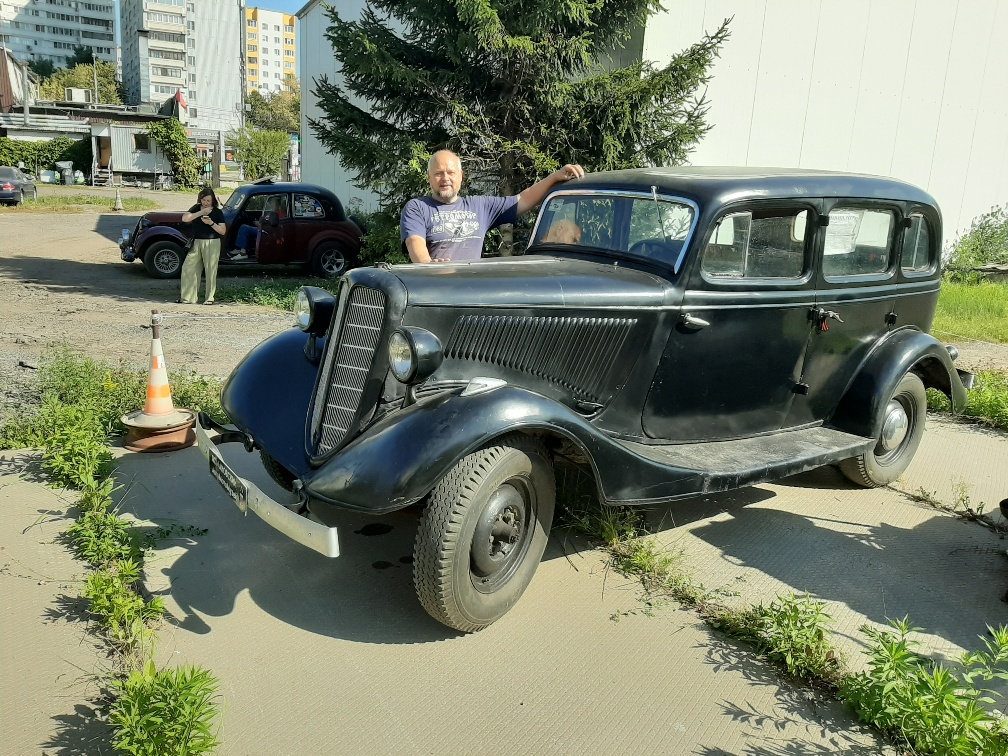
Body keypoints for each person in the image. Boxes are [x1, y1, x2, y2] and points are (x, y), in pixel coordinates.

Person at [401, 150, 585, 263]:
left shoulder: (480, 207)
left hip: (471, 291)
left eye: (451, 172)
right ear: (429, 178)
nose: (446, 178)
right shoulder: (418, 208)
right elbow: (415, 244)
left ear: (461, 176)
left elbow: (523, 200)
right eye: (439, 174)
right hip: (434, 288)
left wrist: (554, 177)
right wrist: (427, 266)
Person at [179, 187, 226, 305]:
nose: (205, 203)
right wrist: (201, 213)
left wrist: (211, 223)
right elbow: (185, 218)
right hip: (196, 242)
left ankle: (209, 298)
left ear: (213, 201)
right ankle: (188, 298)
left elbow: (222, 231)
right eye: (203, 200)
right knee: (188, 268)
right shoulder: (196, 208)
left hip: (212, 242)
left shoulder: (217, 212)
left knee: (210, 271)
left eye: (208, 201)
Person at [232, 195, 286, 260]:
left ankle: (243, 253)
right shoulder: (272, 212)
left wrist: (257, 223)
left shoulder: (278, 213)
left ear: (277, 204)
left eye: (272, 203)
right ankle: (240, 248)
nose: (270, 204)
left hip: (267, 232)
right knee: (245, 227)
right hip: (264, 229)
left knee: (244, 228)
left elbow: (273, 225)